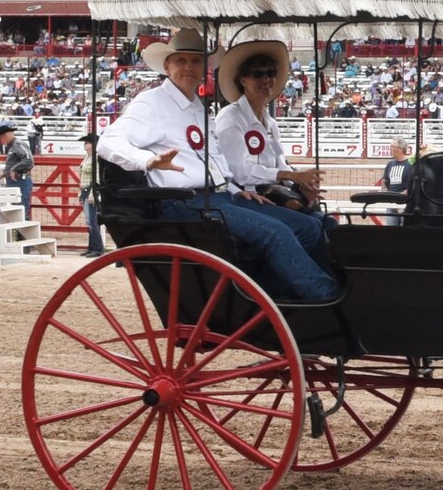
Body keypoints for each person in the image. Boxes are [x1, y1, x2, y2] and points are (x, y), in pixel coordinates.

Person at [97, 28, 339, 302]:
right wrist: (147, 161)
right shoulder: (151, 103)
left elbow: (215, 162)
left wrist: (236, 190)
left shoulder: (198, 108)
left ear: (204, 67)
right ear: (167, 65)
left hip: (219, 197)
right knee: (277, 233)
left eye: (196, 60)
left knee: (306, 228)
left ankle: (269, 295)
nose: (189, 67)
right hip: (186, 203)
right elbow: (109, 141)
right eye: (181, 60)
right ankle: (324, 297)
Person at [214, 40, 337, 238]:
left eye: (271, 73)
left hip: (270, 193)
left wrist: (302, 185)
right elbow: (240, 172)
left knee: (329, 223)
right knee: (311, 227)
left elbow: (280, 162)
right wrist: (291, 177)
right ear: (243, 79)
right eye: (258, 74)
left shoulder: (269, 122)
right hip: (244, 196)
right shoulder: (230, 118)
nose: (267, 79)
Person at [0, 123, 33, 219]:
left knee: (20, 209)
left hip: (19, 180)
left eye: (0, 138)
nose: (0, 141)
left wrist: (13, 169)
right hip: (17, 180)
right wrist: (6, 173)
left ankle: (22, 232)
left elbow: (29, 161)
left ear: (4, 136)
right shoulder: (14, 145)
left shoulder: (17, 144)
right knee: (18, 209)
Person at [77, 133, 104, 257]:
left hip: (90, 191)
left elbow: (97, 177)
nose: (85, 144)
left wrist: (94, 193)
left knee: (91, 221)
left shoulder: (95, 158)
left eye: (87, 142)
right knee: (90, 221)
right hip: (85, 190)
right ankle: (92, 247)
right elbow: (83, 177)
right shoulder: (87, 157)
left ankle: (97, 248)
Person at [380, 136, 413, 225]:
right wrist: (387, 195)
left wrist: (400, 196)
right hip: (391, 205)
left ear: (400, 149)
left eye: (392, 146)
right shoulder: (390, 164)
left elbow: (413, 184)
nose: (390, 149)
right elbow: (384, 181)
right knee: (391, 231)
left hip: (405, 205)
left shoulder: (411, 164)